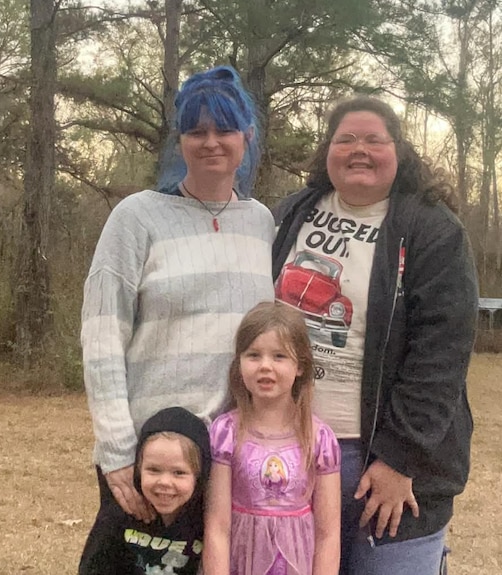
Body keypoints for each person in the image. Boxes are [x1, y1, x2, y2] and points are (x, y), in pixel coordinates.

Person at [78, 65, 275, 574]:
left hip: (230, 458)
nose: (210, 142)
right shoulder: (136, 217)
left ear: (248, 136)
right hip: (153, 459)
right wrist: (117, 451)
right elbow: (101, 337)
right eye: (196, 131)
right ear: (180, 140)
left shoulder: (261, 223)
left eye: (224, 129)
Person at [271, 96, 479, 575]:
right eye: (345, 139)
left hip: (380, 460)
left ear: (399, 151)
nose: (358, 150)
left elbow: (441, 356)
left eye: (373, 140)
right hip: (291, 446)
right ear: (327, 151)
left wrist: (400, 459)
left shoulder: (432, 230)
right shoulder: (290, 214)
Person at [204, 301, 342, 575]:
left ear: (300, 366)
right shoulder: (226, 433)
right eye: (254, 355)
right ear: (239, 363)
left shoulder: (320, 439)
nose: (265, 366)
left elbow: (328, 534)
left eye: (279, 356)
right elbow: (217, 527)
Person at [81, 406, 211, 574]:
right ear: (138, 469)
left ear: (199, 476)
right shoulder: (119, 515)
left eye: (179, 473)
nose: (164, 482)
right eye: (154, 470)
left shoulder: (207, 520)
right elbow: (93, 567)